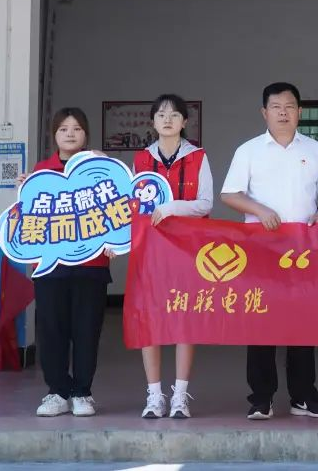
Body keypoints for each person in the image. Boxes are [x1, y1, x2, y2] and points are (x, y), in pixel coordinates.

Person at [221, 82, 318, 421]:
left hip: (303, 250)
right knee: (261, 323)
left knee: (303, 323)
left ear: (300, 112)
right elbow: (230, 194)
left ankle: (304, 396)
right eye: (276, 107)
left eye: (289, 107)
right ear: (264, 113)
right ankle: (261, 398)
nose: (283, 113)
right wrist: (259, 210)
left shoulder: (314, 150)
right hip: (262, 249)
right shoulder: (249, 151)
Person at [132, 94, 213, 420]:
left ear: (184, 122)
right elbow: (131, 205)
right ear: (153, 121)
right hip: (150, 250)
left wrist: (170, 208)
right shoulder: (141, 160)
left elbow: (205, 203)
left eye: (174, 115)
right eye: (161, 114)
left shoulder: (198, 157)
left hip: (187, 250)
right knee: (150, 320)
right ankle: (154, 395)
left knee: (184, 318)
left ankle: (180, 395)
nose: (167, 119)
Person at [26, 107, 108, 418]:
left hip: (92, 265)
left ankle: (83, 392)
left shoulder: (100, 169)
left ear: (86, 134)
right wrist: (24, 190)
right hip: (50, 267)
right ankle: (57, 391)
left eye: (76, 128)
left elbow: (118, 209)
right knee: (52, 330)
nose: (70, 134)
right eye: (63, 128)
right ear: (54, 135)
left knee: (87, 331)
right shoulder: (41, 172)